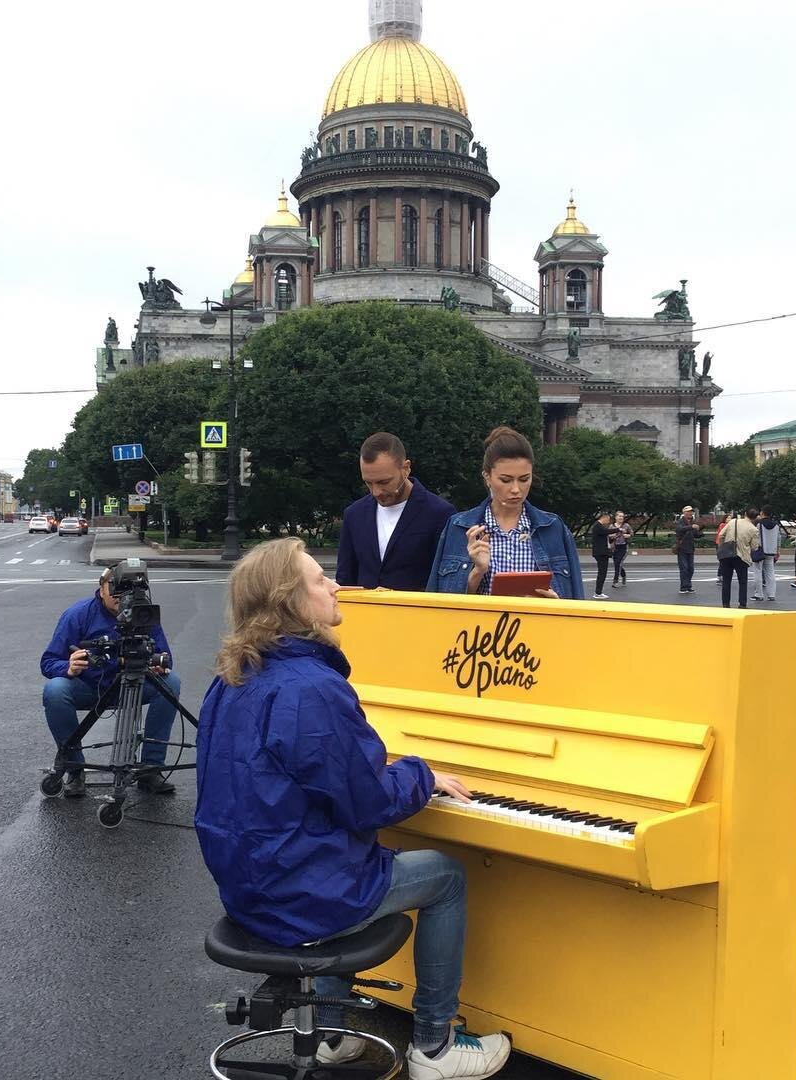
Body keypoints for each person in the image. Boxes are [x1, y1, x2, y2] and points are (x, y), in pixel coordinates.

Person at [195, 539, 512, 1080]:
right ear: (290, 600)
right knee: (446, 875)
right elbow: (368, 803)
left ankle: (334, 1035)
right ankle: (434, 1046)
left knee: (351, 856)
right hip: (298, 892)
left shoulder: (233, 677)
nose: (336, 585)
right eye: (320, 579)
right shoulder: (311, 688)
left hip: (249, 886)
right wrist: (422, 773)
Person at [40, 565, 180, 796]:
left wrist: (159, 665)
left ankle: (151, 768)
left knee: (171, 682)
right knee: (55, 690)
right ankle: (75, 768)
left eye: (129, 589)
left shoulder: (144, 613)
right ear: (101, 589)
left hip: (134, 682)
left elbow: (165, 657)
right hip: (89, 686)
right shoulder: (78, 614)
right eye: (115, 588)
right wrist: (69, 666)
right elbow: (48, 662)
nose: (121, 596)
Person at [425, 426, 584, 599]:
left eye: (524, 479)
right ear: (487, 477)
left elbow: (576, 602)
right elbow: (441, 605)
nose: (516, 489)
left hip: (537, 625)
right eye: (506, 480)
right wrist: (477, 572)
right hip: (479, 626)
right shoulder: (458, 527)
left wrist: (555, 603)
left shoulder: (553, 528)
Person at [336, 432, 455, 591]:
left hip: (416, 614)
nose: (376, 492)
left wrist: (395, 598)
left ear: (406, 468)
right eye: (368, 483)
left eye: (383, 482)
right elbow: (345, 581)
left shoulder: (440, 513)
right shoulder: (354, 514)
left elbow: (444, 584)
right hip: (365, 615)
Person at [718, 511, 759, 609]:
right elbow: (754, 547)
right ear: (755, 518)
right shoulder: (754, 529)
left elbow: (721, 535)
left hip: (726, 554)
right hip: (742, 557)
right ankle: (742, 604)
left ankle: (726, 604)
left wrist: (722, 547)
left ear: (745, 513)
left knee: (726, 580)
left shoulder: (733, 521)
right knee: (743, 581)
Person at [752, 506, 780, 601]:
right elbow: (778, 538)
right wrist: (777, 551)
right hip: (771, 551)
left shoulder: (758, 524)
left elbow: (755, 537)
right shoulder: (776, 525)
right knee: (770, 573)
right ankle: (771, 594)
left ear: (762, 513)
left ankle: (759, 594)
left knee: (758, 572)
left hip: (760, 551)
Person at [674, 505, 701, 594]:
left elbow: (695, 535)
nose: (690, 513)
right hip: (682, 549)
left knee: (691, 569)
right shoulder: (680, 521)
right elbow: (680, 529)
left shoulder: (692, 522)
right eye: (688, 511)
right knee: (684, 568)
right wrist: (691, 527)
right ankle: (683, 587)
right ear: (684, 513)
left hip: (690, 548)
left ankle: (688, 586)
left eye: (691, 511)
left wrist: (699, 531)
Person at [590, 510, 613, 599]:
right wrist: (619, 529)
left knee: (602, 572)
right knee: (602, 573)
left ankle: (598, 592)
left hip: (602, 553)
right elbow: (606, 531)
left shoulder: (599, 527)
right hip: (601, 553)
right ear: (604, 518)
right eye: (608, 519)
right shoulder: (598, 526)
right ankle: (597, 593)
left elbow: (605, 535)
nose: (609, 521)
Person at [610, 510, 633, 588]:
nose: (621, 518)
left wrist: (628, 535)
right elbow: (608, 535)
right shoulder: (612, 526)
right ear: (616, 517)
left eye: (622, 516)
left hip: (623, 547)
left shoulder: (626, 525)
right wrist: (612, 536)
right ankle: (623, 575)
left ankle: (615, 581)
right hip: (615, 547)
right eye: (619, 516)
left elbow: (632, 533)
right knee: (617, 564)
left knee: (618, 563)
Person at [713, 512, 732, 590]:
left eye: (730, 518)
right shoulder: (722, 525)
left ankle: (723, 577)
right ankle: (720, 577)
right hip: (721, 545)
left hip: (727, 545)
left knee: (726, 562)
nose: (729, 519)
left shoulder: (730, 526)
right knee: (722, 561)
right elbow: (721, 535)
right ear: (725, 519)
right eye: (728, 518)